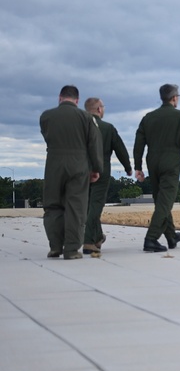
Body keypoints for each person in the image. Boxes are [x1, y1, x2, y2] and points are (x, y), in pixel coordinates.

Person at [133, 84, 180, 253]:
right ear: (174, 98)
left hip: (153, 162)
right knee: (165, 202)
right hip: (171, 162)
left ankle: (171, 236)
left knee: (161, 199)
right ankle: (151, 238)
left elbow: (138, 143)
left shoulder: (148, 117)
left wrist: (137, 166)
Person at [39, 85, 103, 259]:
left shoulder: (46, 116)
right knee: (76, 207)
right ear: (77, 100)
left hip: (53, 163)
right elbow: (93, 144)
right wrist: (96, 168)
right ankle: (72, 249)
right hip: (78, 164)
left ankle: (55, 246)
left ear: (60, 98)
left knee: (52, 205)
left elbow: (47, 136)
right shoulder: (86, 117)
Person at [83, 97, 132, 255]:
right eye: (103, 107)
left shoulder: (79, 127)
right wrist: (128, 167)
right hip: (101, 171)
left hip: (80, 170)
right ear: (99, 109)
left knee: (86, 206)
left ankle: (97, 236)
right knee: (96, 205)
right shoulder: (108, 128)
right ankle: (88, 241)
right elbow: (120, 149)